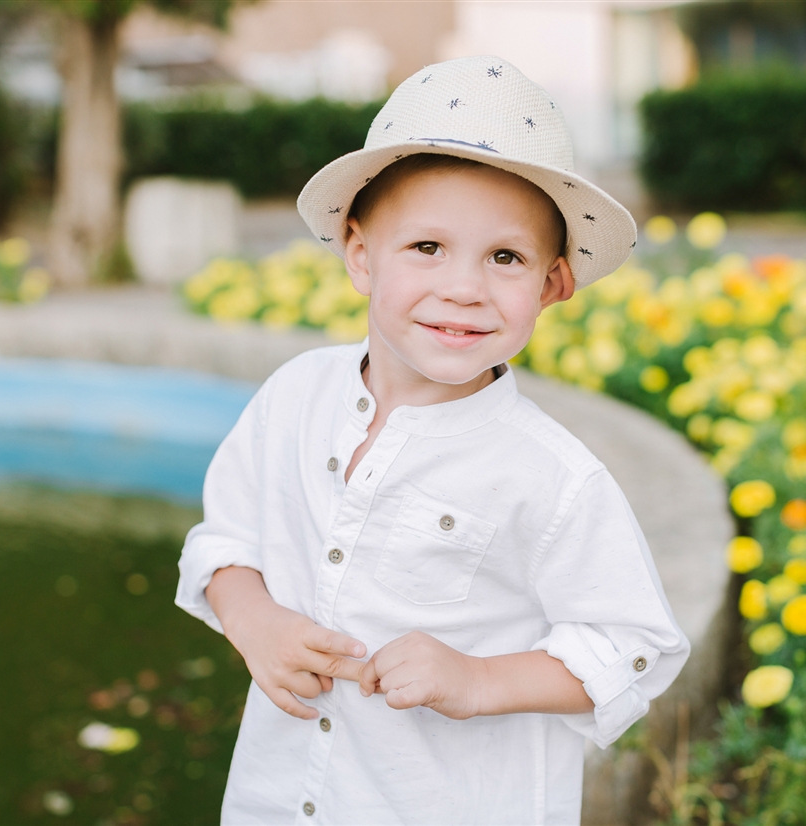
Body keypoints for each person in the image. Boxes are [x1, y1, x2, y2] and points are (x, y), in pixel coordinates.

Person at [175, 55, 689, 825]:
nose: (464, 288)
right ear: (360, 256)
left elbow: (637, 649)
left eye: (506, 258)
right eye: (427, 248)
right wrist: (254, 622)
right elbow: (224, 541)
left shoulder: (550, 477)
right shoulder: (294, 397)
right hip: (277, 800)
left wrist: (480, 680)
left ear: (551, 285)